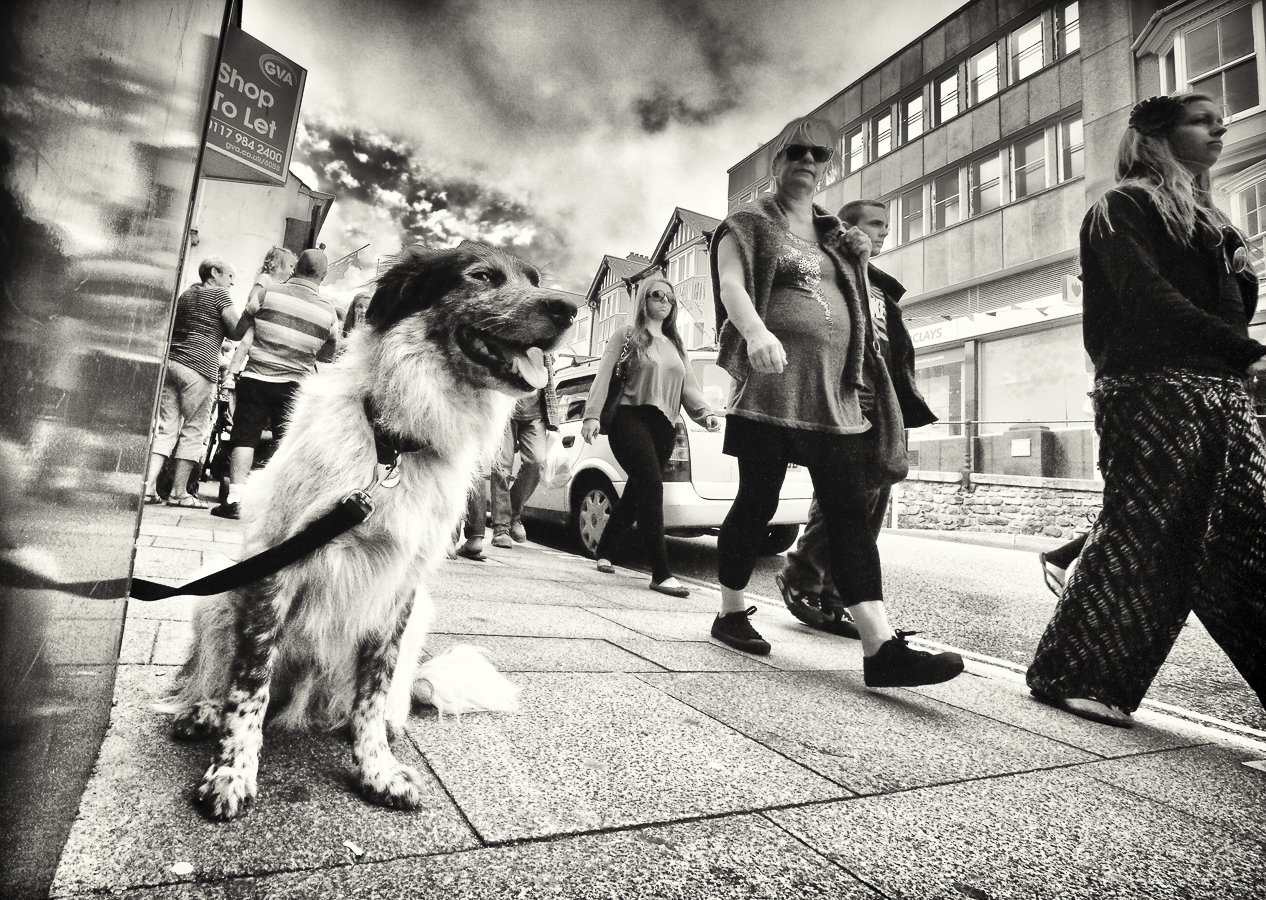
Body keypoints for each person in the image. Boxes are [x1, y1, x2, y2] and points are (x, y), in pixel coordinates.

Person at [1027, 93, 1266, 729]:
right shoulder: (1121, 206)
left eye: (1222, 119)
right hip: (1150, 387)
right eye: (1202, 120)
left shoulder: (1216, 223)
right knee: (1152, 531)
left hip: (1221, 389)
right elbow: (1146, 295)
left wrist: (1242, 277)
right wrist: (1246, 349)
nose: (1220, 128)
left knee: (1248, 533)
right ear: (1159, 134)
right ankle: (1078, 674)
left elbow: (1226, 305)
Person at [707, 115, 963, 689]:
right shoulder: (749, 222)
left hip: (835, 395)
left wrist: (860, 254)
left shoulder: (834, 237)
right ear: (777, 162)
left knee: (849, 511)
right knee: (758, 500)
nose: (807, 161)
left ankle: (881, 649)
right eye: (795, 151)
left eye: (818, 155)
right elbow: (731, 285)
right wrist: (755, 333)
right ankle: (729, 612)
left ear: (829, 168)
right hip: (771, 388)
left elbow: (863, 306)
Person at [775, 198, 936, 639]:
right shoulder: (833, 267)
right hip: (848, 393)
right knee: (847, 495)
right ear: (849, 228)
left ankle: (838, 595)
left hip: (882, 397)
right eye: (876, 224)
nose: (885, 232)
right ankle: (802, 576)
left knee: (874, 495)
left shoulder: (880, 282)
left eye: (886, 225)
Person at [581, 277, 720, 597]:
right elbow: (603, 376)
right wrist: (591, 415)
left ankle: (604, 549)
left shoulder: (676, 343)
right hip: (629, 421)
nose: (664, 302)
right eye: (657, 296)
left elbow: (690, 387)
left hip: (664, 427)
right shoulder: (626, 336)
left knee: (636, 492)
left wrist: (706, 413)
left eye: (670, 299)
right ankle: (661, 571)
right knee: (651, 485)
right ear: (644, 300)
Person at [211, 248, 338, 520]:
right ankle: (275, 503)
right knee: (285, 444)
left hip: (256, 378)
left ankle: (235, 498)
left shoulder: (266, 293)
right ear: (323, 275)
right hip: (295, 387)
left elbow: (239, 330)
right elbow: (326, 356)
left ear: (296, 268)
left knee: (245, 436)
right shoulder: (329, 313)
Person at [143, 256, 239, 508]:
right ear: (215, 273)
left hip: (172, 363)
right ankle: (178, 493)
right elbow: (236, 330)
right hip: (198, 368)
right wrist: (251, 311)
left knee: (166, 428)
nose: (231, 284)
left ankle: (149, 488)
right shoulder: (219, 295)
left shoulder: (186, 295)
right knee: (194, 429)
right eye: (230, 277)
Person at [489, 355, 560, 549]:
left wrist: (553, 419)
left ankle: (514, 513)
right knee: (501, 468)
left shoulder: (542, 348)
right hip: (505, 413)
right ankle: (501, 528)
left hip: (534, 415)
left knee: (536, 463)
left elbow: (548, 381)